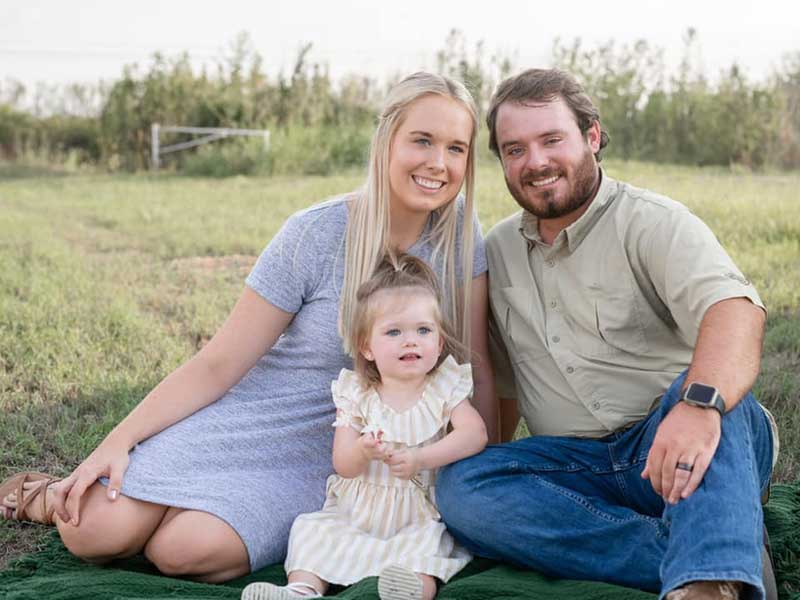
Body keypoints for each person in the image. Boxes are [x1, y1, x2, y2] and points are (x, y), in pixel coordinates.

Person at [0, 72, 497, 582]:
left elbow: (475, 363)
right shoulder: (316, 231)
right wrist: (117, 442)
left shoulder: (460, 234)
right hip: (251, 418)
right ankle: (46, 493)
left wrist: (480, 484)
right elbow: (218, 363)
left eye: (456, 148)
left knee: (184, 551)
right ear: (386, 139)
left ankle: (175, 517)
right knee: (91, 529)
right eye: (422, 140)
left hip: (333, 455)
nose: (439, 163)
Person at [435, 68, 779, 600]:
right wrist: (505, 482)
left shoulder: (652, 221)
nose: (536, 162)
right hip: (578, 464)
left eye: (552, 140)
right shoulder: (496, 253)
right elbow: (502, 391)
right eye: (515, 149)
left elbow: (735, 312)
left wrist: (697, 408)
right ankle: (711, 551)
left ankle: (709, 583)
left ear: (592, 137)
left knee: (712, 392)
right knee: (463, 487)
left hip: (677, 438)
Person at [240, 254, 487, 600]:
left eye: (423, 330)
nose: (411, 341)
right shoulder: (357, 392)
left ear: (440, 342)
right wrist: (362, 450)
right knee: (313, 532)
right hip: (356, 512)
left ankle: (410, 592)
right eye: (394, 332)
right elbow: (343, 462)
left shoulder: (444, 386)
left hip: (418, 511)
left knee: (422, 550)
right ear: (366, 347)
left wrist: (421, 458)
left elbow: (474, 434)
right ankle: (302, 589)